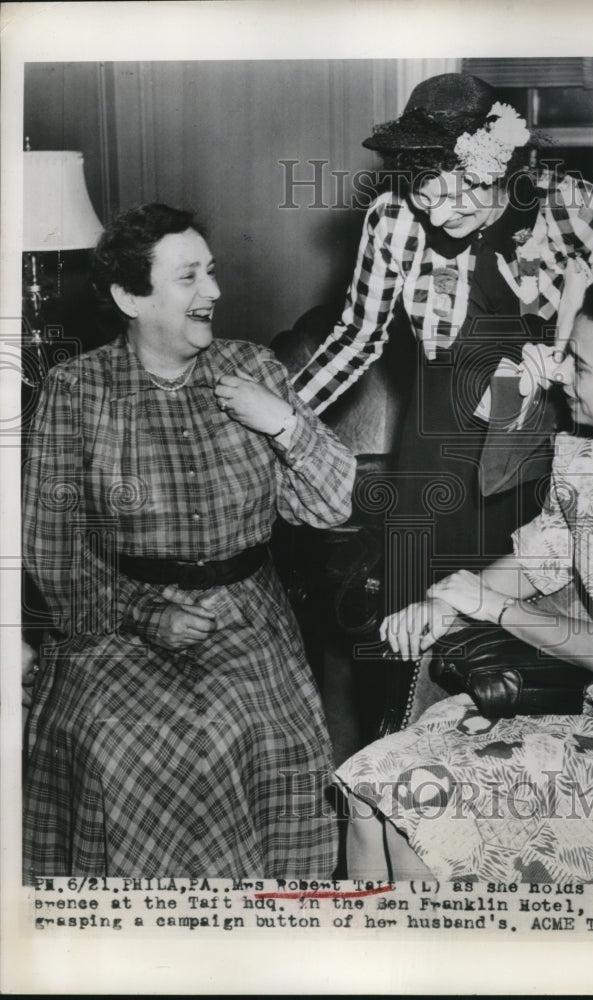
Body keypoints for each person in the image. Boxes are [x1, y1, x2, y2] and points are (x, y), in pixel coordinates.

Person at [337, 262, 593, 882]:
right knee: (368, 784)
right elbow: (536, 559)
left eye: (578, 364)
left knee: (422, 803)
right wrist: (443, 604)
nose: (559, 372)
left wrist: (494, 607)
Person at [22, 203, 356, 878]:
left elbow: (330, 506)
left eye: (212, 271)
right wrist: (144, 614)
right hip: (113, 620)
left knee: (251, 735)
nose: (214, 290)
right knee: (118, 752)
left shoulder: (255, 370)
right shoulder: (76, 390)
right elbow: (50, 546)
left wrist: (283, 423)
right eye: (189, 277)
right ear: (130, 297)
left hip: (247, 617)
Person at [293, 73, 593, 601]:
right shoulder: (393, 218)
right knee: (416, 602)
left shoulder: (572, 210)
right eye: (425, 197)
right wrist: (285, 415)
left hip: (551, 436)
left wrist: (572, 368)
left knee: (526, 606)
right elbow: (357, 336)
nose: (440, 215)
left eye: (459, 197)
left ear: (502, 169)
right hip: (439, 438)